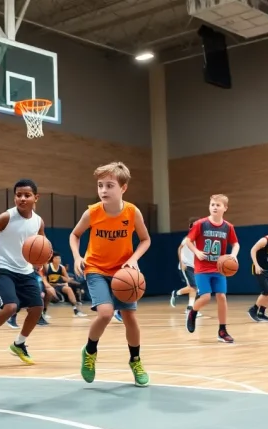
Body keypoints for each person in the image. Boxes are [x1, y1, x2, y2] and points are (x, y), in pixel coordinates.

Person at [70, 161, 151, 387]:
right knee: (105, 313)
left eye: (109, 185)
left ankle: (135, 360)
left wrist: (133, 260)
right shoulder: (92, 212)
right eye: (100, 185)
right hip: (95, 268)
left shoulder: (132, 212)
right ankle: (90, 351)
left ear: (123, 188)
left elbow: (146, 239)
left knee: (130, 318)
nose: (103, 190)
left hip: (123, 271)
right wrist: (78, 257)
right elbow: (74, 235)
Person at [0, 180, 46, 365]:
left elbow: (42, 244)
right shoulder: (6, 217)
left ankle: (19, 343)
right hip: (3, 266)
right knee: (10, 307)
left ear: (36, 198)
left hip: (25, 269)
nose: (22, 198)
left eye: (27, 195)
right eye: (18, 195)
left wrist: (40, 262)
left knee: (37, 308)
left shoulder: (38, 221)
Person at [184, 195, 239, 343]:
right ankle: (193, 312)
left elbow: (235, 244)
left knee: (221, 297)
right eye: (212, 204)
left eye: (218, 205)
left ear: (225, 208)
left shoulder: (228, 227)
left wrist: (233, 256)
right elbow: (188, 241)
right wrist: (197, 252)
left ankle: (222, 330)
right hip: (202, 268)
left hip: (219, 268)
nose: (214, 207)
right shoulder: (201, 224)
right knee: (206, 297)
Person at [170, 218, 199, 314]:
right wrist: (181, 262)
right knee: (194, 287)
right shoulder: (188, 238)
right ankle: (190, 308)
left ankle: (177, 295)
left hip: (194, 266)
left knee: (193, 288)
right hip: (186, 266)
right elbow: (179, 248)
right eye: (193, 225)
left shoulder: (200, 239)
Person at [45, 252, 87, 318]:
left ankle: (76, 310)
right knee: (50, 294)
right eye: (57, 258)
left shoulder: (62, 268)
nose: (59, 260)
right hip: (50, 286)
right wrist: (50, 284)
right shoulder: (48, 267)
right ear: (53, 259)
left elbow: (66, 279)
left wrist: (66, 283)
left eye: (59, 258)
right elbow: (44, 278)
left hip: (59, 286)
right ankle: (44, 312)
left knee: (69, 289)